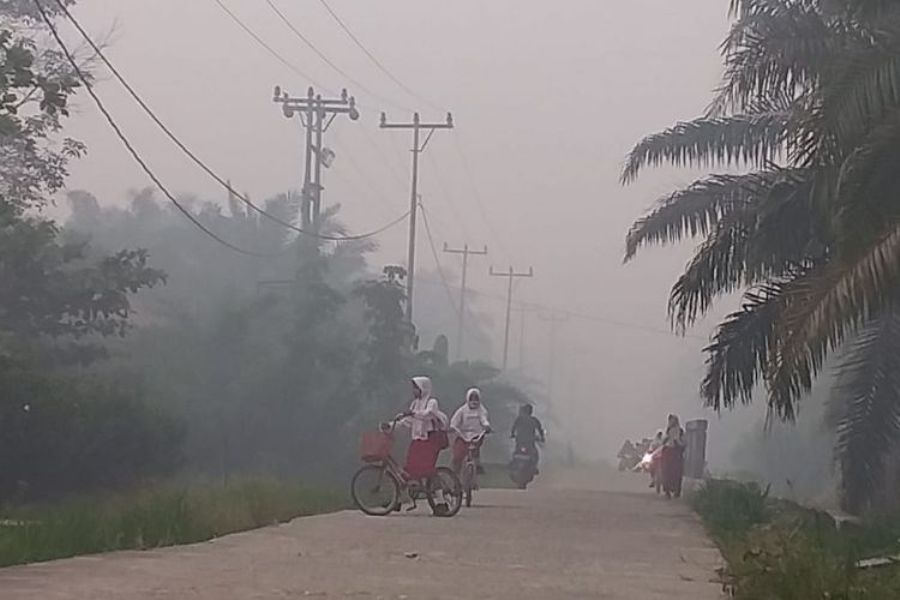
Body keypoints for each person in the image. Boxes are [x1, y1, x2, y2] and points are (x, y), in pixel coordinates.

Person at [398, 377, 449, 482]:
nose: (414, 391)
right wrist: (392, 425)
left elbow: (428, 414)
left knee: (427, 468)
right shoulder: (415, 403)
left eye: (416, 388)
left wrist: (413, 413)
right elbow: (408, 421)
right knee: (411, 464)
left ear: (423, 388)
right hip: (418, 438)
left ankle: (438, 493)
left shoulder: (432, 402)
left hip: (431, 438)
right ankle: (417, 486)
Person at [450, 388, 492, 475]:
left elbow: (483, 419)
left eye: (476, 399)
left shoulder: (481, 410)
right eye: (471, 399)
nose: (474, 401)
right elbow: (454, 421)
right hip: (463, 435)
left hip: (476, 435)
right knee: (457, 456)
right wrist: (453, 427)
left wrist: (487, 426)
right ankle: (454, 476)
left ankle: (475, 470)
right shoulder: (462, 410)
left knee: (474, 451)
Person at [511, 404, 545, 472]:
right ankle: (534, 467)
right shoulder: (534, 420)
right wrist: (542, 438)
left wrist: (512, 435)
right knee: (535, 454)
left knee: (516, 450)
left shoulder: (519, 419)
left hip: (520, 440)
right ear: (531, 411)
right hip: (529, 441)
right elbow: (540, 430)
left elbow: (513, 428)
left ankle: (513, 463)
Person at [661, 414, 685, 499]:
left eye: (673, 420)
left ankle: (676, 491)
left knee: (677, 472)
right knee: (666, 472)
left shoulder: (680, 431)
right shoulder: (668, 430)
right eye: (670, 420)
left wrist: (677, 442)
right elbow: (662, 441)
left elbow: (684, 443)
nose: (671, 422)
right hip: (668, 453)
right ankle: (667, 491)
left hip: (676, 453)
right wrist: (666, 439)